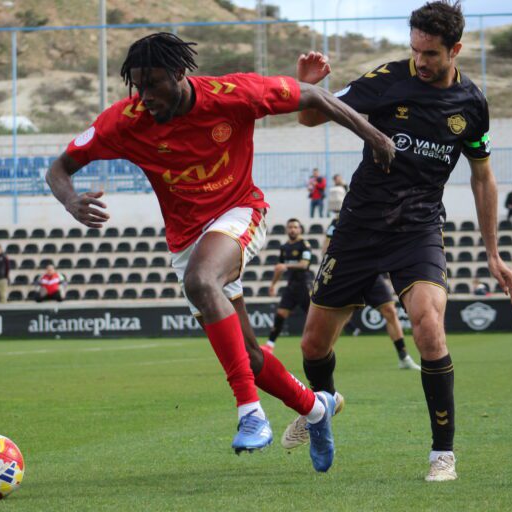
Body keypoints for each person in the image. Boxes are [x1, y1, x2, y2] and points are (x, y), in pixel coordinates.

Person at [46, 32, 395, 472]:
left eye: (153, 83)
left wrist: (376, 135)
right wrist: (70, 200)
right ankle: (316, 408)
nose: (145, 96)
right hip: (187, 240)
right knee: (246, 353)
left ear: (179, 73)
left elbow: (313, 96)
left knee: (201, 280)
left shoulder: (234, 94)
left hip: (240, 212)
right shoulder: (125, 120)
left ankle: (250, 413)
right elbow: (59, 168)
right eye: (137, 85)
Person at [288, 1, 512, 480]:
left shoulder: (471, 105)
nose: (420, 60)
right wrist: (309, 86)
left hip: (417, 228)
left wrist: (492, 252)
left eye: (430, 53)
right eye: (414, 49)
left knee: (429, 328)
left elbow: (482, 178)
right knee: (312, 346)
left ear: (455, 49)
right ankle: (322, 410)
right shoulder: (387, 79)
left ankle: (442, 454)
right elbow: (312, 117)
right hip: (358, 227)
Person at [318, 216, 421, 372]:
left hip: (372, 271)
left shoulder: (377, 212)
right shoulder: (337, 221)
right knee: (342, 317)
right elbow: (326, 248)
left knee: (390, 311)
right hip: (349, 272)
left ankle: (404, 357)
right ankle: (322, 359)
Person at [263, 219, 314, 354]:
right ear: (287, 230)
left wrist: (286, 266)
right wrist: (273, 284)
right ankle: (269, 345)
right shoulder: (284, 248)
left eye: (295, 227)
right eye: (290, 227)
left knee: (313, 317)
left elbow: (304, 265)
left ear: (300, 230)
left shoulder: (305, 245)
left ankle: (320, 343)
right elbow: (279, 269)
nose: (293, 229)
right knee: (280, 314)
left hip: (305, 286)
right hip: (291, 287)